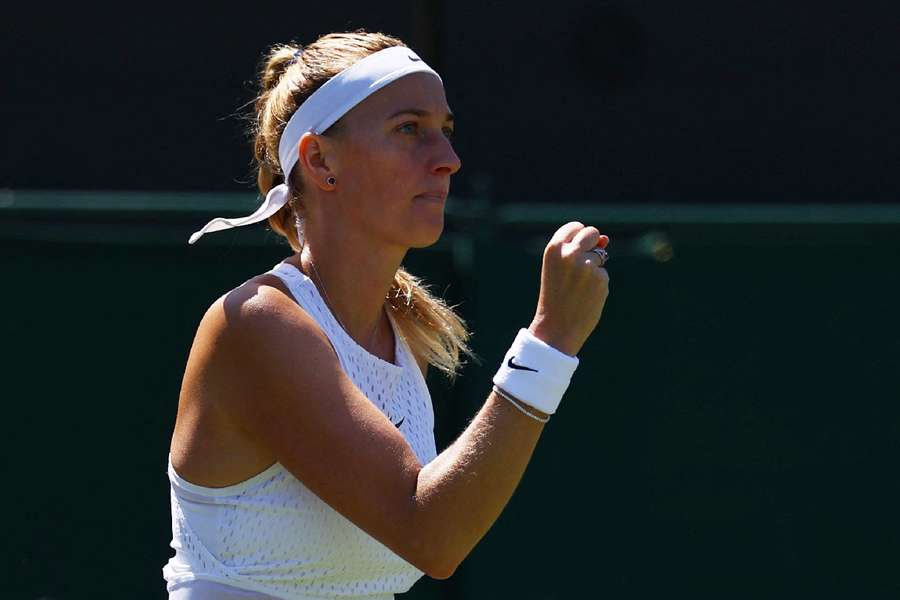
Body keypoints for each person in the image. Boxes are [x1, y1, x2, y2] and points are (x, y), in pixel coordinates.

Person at [163, 30, 611, 600]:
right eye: (409, 129)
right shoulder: (259, 325)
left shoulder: (402, 334)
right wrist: (550, 343)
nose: (448, 160)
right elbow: (430, 533)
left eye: (445, 132)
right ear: (321, 160)